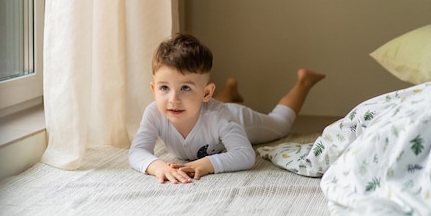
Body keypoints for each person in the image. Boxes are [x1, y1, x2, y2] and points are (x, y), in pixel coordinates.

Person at [128, 33, 326, 184]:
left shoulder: (220, 116)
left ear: (207, 93)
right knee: (201, 107)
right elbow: (137, 151)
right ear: (154, 89)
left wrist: (206, 165)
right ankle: (229, 90)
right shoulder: (154, 113)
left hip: (239, 118)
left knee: (280, 125)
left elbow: (245, 155)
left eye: (185, 88)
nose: (173, 99)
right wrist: (156, 166)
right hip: (209, 108)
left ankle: (304, 82)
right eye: (164, 88)